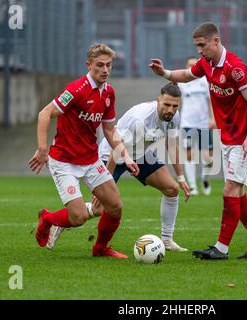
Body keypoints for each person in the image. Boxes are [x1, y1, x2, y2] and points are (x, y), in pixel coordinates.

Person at [149, 22, 247, 259]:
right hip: (228, 138)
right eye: (196, 46)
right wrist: (164, 73)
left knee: (230, 189)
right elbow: (184, 75)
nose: (199, 51)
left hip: (243, 140)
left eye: (202, 45)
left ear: (216, 41)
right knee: (238, 193)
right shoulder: (207, 64)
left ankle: (221, 248)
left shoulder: (235, 68)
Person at [46, 82, 191, 252]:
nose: (170, 110)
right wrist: (104, 180)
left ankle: (167, 240)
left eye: (175, 106)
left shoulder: (174, 117)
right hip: (112, 155)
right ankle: (57, 223)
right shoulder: (140, 119)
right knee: (100, 208)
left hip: (139, 154)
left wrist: (181, 177)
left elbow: (172, 144)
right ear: (158, 100)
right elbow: (117, 148)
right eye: (167, 104)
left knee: (172, 189)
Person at [28, 43, 139, 259]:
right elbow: (44, 114)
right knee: (78, 217)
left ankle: (100, 249)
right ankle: (48, 219)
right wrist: (42, 149)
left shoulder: (108, 93)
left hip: (90, 160)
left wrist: (125, 155)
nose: (105, 70)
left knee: (115, 207)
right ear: (89, 65)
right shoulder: (75, 90)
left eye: (109, 65)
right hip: (64, 161)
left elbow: (109, 129)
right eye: (100, 65)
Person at [178, 56, 216, 196]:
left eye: (194, 65)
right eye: (189, 65)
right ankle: (193, 186)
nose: (192, 67)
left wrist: (212, 119)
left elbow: (211, 101)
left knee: (209, 157)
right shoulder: (183, 83)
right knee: (189, 154)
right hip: (187, 124)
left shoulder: (205, 81)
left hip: (204, 123)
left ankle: (205, 178)